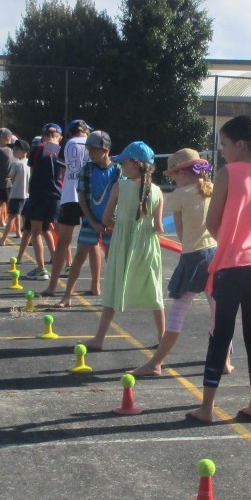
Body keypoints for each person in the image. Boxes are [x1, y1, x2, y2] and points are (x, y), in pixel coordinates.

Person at [185, 115, 251, 425]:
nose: (223, 151)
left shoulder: (228, 173)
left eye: (225, 145)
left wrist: (230, 242)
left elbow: (212, 222)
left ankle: (207, 408)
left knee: (220, 334)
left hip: (232, 263)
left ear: (240, 145)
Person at [130, 148, 224, 378]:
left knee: (177, 313)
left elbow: (181, 234)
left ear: (182, 172)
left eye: (173, 176)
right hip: (216, 254)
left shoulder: (179, 196)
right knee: (219, 313)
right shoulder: (213, 190)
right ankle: (225, 361)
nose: (173, 180)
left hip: (193, 257)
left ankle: (155, 363)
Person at [84, 141, 165, 351]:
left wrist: (120, 226)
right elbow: (159, 226)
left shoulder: (120, 186)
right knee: (154, 290)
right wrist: (145, 229)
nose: (121, 166)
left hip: (123, 243)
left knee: (113, 287)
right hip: (147, 246)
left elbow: (106, 218)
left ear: (135, 164)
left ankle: (99, 339)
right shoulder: (157, 191)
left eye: (124, 163)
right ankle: (163, 338)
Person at [54, 130, 118, 308]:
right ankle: (67, 296)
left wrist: (110, 220)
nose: (89, 154)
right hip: (91, 220)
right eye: (88, 150)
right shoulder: (87, 169)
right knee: (80, 256)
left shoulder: (117, 170)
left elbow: (120, 197)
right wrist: (92, 220)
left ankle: (112, 296)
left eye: (93, 150)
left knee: (112, 259)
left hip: (111, 222)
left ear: (105, 150)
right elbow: (82, 198)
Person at [45, 119, 92, 298]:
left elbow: (63, 173)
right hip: (89, 196)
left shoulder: (67, 144)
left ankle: (52, 286)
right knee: (92, 243)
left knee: (63, 242)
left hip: (70, 195)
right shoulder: (92, 141)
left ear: (70, 133)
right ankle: (96, 284)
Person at [22, 124, 65, 280]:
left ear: (44, 136)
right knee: (59, 232)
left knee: (36, 232)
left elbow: (32, 172)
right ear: (59, 137)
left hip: (39, 193)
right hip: (56, 194)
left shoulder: (38, 149)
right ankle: (62, 264)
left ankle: (41, 269)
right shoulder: (61, 150)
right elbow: (63, 174)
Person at [0, 139, 30, 247]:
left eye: (17, 149)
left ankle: (3, 239)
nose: (14, 151)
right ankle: (29, 238)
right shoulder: (29, 163)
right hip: (27, 195)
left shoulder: (16, 163)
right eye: (14, 149)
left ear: (24, 151)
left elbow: (12, 178)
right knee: (26, 218)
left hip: (17, 194)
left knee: (11, 218)